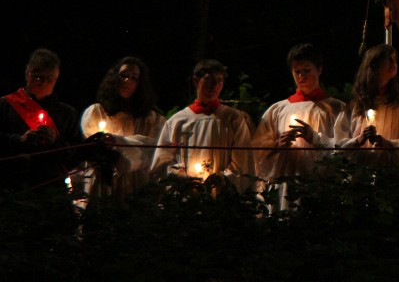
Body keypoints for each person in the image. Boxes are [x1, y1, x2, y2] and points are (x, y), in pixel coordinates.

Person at [251, 43, 345, 211]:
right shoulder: (277, 110)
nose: (301, 75)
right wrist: (277, 146)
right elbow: (257, 151)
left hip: (322, 185)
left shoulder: (337, 109)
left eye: (307, 70)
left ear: (319, 69)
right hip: (286, 183)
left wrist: (314, 137)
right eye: (296, 71)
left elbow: (344, 147)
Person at [150, 59, 255, 192]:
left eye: (219, 81)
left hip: (221, 195)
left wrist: (223, 178)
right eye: (209, 80)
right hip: (185, 193)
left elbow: (243, 161)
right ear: (195, 80)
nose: (214, 86)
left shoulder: (232, 118)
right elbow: (163, 161)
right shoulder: (178, 121)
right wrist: (178, 175)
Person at [79, 56, 167, 198]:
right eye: (124, 75)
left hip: (136, 184)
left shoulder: (151, 120)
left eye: (134, 78)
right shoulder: (96, 113)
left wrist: (119, 143)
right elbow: (92, 148)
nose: (128, 81)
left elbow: (153, 149)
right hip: (103, 183)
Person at [0, 48, 84, 191]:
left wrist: (55, 142)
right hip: (12, 187)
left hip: (52, 189)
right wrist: (19, 140)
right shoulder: (5, 105)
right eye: (38, 77)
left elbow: (76, 154)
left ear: (56, 79)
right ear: (27, 74)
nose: (43, 83)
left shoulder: (67, 113)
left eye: (49, 79)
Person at [333, 44, 399, 163]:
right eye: (389, 59)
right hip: (362, 175)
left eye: (395, 59)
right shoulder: (356, 105)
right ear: (374, 65)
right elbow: (338, 145)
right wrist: (358, 141)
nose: (393, 62)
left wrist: (390, 145)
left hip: (398, 175)